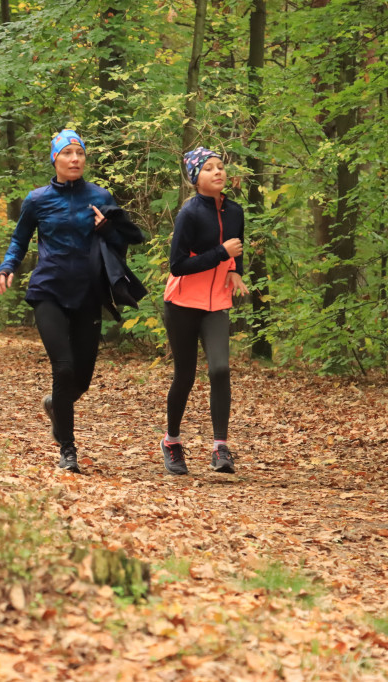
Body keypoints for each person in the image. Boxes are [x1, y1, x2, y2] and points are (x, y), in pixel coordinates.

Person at [0, 129, 142, 474]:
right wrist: (7, 267)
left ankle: (55, 405)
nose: (75, 159)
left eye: (80, 153)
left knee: (83, 379)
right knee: (62, 368)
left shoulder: (100, 195)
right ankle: (68, 450)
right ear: (55, 159)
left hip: (89, 293)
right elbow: (19, 240)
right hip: (49, 290)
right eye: (67, 154)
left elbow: (127, 239)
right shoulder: (37, 199)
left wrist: (106, 228)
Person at [160, 146, 249, 475]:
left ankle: (220, 448)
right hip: (182, 303)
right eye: (209, 168)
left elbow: (236, 247)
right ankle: (171, 442)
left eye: (221, 167)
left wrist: (235, 269)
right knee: (184, 375)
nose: (218, 172)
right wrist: (219, 254)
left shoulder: (236, 211)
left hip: (217, 304)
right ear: (195, 178)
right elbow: (178, 265)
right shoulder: (189, 214)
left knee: (220, 370)